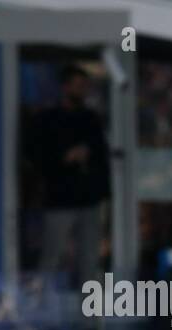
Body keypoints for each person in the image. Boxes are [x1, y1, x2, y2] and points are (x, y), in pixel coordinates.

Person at [34, 65, 110, 285]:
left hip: (88, 198)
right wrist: (64, 158)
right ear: (65, 87)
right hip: (60, 198)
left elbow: (100, 152)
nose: (82, 91)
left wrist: (87, 154)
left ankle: (89, 316)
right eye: (77, 86)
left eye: (84, 86)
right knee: (52, 257)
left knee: (89, 260)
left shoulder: (90, 119)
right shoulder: (48, 119)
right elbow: (38, 155)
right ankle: (42, 311)